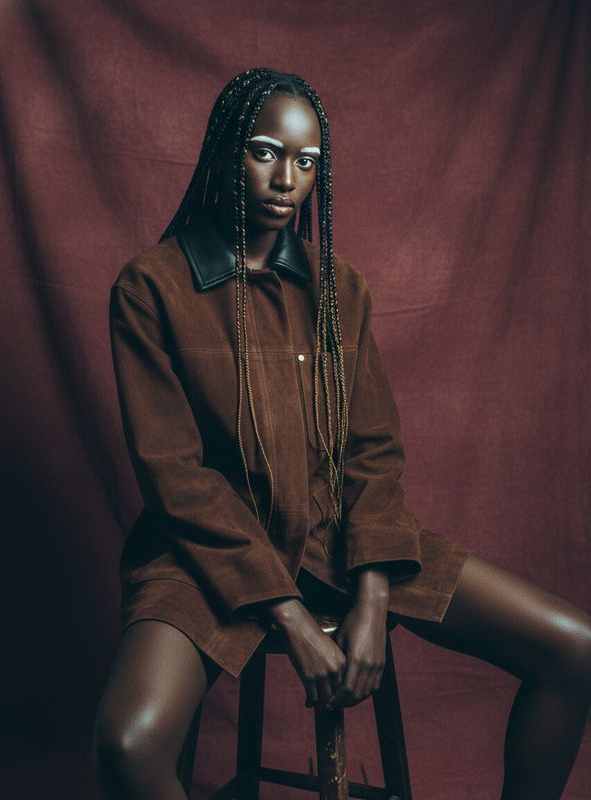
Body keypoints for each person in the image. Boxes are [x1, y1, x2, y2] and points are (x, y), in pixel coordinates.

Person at [93, 68, 591, 799]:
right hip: (206, 555)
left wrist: (373, 592)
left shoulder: (338, 289)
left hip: (338, 539)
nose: (285, 178)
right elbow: (178, 478)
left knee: (575, 649)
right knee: (127, 746)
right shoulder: (150, 290)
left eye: (306, 161)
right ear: (228, 150)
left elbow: (372, 451)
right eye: (265, 151)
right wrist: (288, 616)